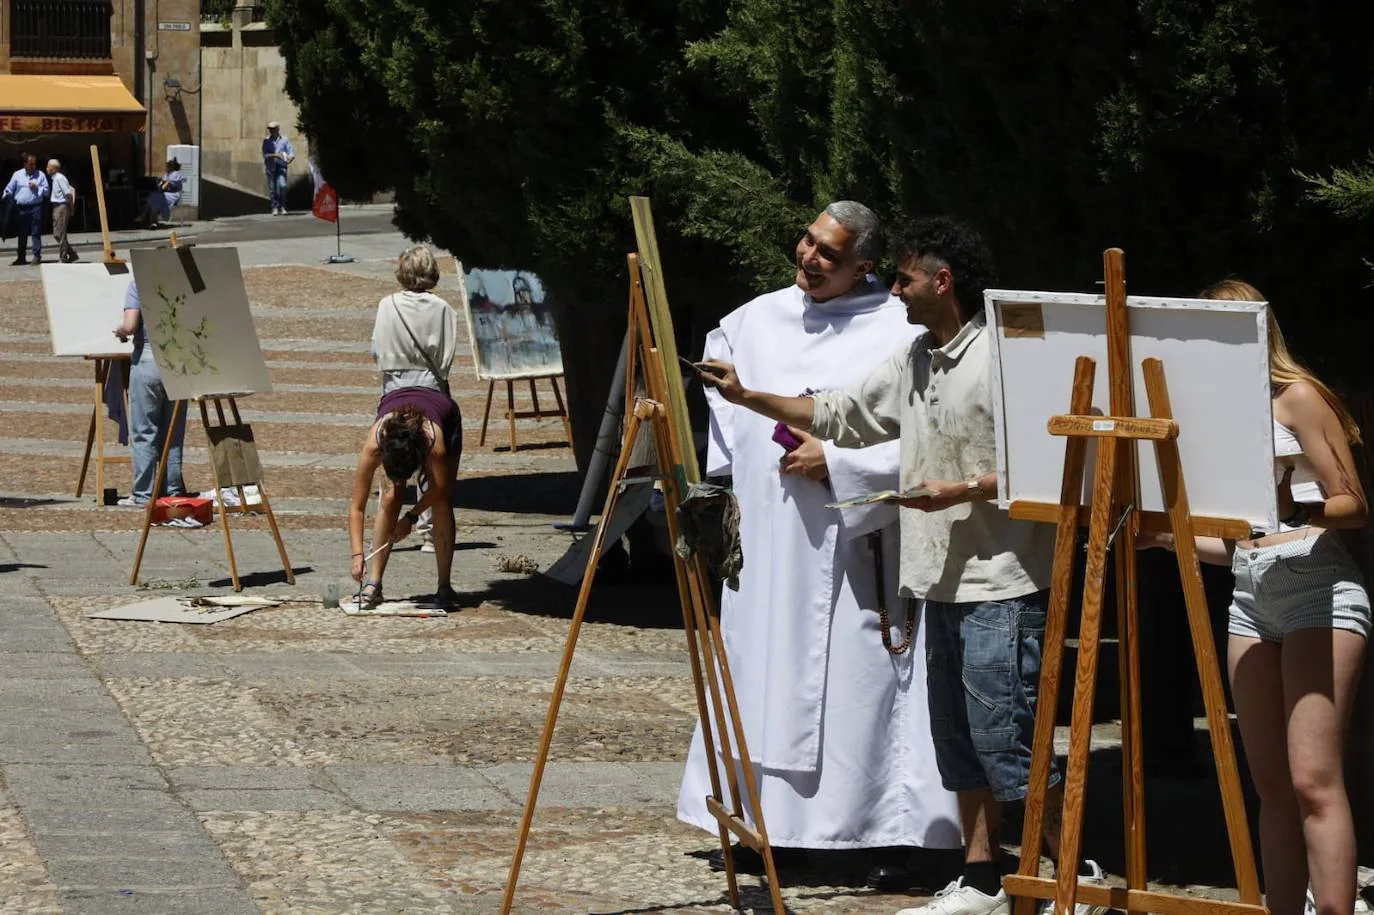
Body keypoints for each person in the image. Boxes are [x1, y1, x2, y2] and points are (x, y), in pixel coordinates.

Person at [697, 216, 1108, 915]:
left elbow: (1047, 462)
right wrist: (748, 396)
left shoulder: (1002, 356)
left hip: (1001, 578)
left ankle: (1074, 870)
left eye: (906, 278)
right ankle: (982, 877)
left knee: (1006, 736)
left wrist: (963, 488)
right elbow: (839, 413)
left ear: (942, 281)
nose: (895, 290)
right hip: (937, 576)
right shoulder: (915, 357)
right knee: (958, 743)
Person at [676, 202, 962, 887]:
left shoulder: (901, 328)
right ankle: (766, 824)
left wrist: (841, 462)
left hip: (857, 549)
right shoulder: (752, 321)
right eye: (807, 242)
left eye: (828, 254)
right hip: (772, 546)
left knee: (855, 689)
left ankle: (867, 829)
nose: (809, 257)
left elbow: (936, 433)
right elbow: (726, 413)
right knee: (764, 670)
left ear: (864, 266)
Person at [1141, 279, 1369, 915]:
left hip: (1317, 586)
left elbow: (1353, 503)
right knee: (1268, 785)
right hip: (1251, 593)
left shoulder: (1297, 397)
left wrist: (1294, 502)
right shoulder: (1211, 415)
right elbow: (1242, 543)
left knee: (1313, 779)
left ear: (1254, 331)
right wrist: (1164, 540)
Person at [349, 245, 462, 604]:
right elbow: (446, 359)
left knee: (393, 496)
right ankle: (441, 584)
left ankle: (374, 583)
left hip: (397, 389)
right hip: (432, 387)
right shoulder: (445, 310)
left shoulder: (387, 305)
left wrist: (410, 518)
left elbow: (377, 352)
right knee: (439, 505)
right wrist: (356, 556)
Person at [113, 279, 187, 507]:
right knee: (173, 432)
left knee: (145, 430)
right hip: (179, 358)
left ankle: (144, 493)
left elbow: (131, 325)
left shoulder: (139, 283)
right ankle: (172, 490)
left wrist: (120, 331)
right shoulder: (184, 282)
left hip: (148, 356)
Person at [3, 153, 49, 265]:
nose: (33, 166)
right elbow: (9, 188)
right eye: (31, 164)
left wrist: (38, 187)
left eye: (34, 164)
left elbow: (47, 192)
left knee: (35, 232)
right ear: (25, 164)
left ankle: (37, 256)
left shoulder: (41, 175)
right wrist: (5, 197)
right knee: (22, 233)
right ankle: (21, 257)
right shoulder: (17, 175)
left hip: (35, 208)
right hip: (20, 209)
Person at [46, 158, 77, 263]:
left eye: (48, 166)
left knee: (61, 232)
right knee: (56, 233)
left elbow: (68, 194)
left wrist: (71, 207)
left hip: (61, 206)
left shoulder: (60, 178)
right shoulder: (55, 179)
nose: (46, 168)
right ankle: (72, 253)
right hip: (55, 206)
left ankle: (63, 256)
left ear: (53, 168)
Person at [262, 121, 295, 215]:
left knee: (283, 185)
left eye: (273, 129)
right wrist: (275, 155)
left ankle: (282, 206)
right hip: (270, 166)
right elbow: (265, 155)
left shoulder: (284, 139)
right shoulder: (266, 140)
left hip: (281, 165)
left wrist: (291, 158)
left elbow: (290, 151)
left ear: (278, 129)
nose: (271, 131)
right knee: (272, 188)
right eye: (270, 129)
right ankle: (274, 207)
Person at [142, 158, 183, 229]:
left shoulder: (175, 174)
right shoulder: (166, 175)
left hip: (173, 194)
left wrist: (160, 189)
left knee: (155, 198)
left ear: (172, 167)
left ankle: (148, 219)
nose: (166, 168)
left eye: (167, 166)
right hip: (164, 194)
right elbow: (161, 184)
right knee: (153, 199)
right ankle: (152, 221)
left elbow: (166, 184)